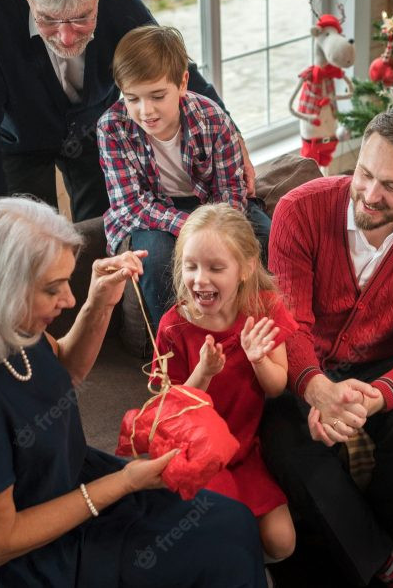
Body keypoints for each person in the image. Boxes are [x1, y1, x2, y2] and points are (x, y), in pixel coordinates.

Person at [0, 197, 267, 587]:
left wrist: (99, 304)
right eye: (53, 289)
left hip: (66, 481)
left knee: (232, 524)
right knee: (222, 550)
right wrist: (125, 482)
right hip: (25, 557)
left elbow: (64, 369)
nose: (68, 300)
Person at [260, 108, 393, 588]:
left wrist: (376, 395)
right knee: (284, 435)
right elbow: (289, 323)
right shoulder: (300, 209)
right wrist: (316, 388)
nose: (370, 195)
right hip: (309, 361)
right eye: (364, 173)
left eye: (392, 187)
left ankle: (378, 560)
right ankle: (390, 572)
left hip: (388, 365)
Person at [0, 0, 255, 222]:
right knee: (26, 239)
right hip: (17, 139)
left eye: (81, 18)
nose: (66, 37)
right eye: (48, 20)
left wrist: (233, 132)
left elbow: (172, 66)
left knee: (101, 227)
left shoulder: (118, 0)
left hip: (92, 127)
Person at [99, 25, 271, 331]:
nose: (145, 111)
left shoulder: (212, 118)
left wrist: (214, 230)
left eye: (157, 95)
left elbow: (231, 190)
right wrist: (189, 228)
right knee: (156, 257)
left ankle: (258, 323)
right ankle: (172, 341)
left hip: (212, 205)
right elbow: (131, 205)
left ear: (182, 83)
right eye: (133, 98)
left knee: (268, 236)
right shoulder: (111, 128)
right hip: (148, 215)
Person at [155, 203, 297, 564]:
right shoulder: (173, 327)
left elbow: (277, 386)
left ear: (246, 267)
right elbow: (169, 413)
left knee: (283, 543)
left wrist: (257, 358)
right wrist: (203, 372)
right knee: (228, 538)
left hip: (245, 450)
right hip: (197, 453)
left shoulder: (264, 309)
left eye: (216, 268)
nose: (200, 279)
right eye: (191, 267)